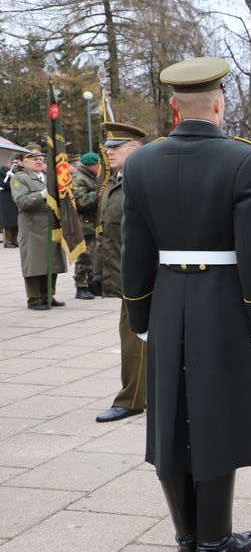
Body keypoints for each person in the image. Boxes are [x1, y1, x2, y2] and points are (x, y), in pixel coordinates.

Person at [121, 57, 251, 552]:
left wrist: (140, 315)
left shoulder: (141, 162)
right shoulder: (243, 159)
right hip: (223, 303)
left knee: (170, 417)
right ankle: (214, 541)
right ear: (217, 105)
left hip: (168, 298)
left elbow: (134, 249)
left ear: (173, 107)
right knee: (217, 416)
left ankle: (187, 539)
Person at [93, 122, 148, 422]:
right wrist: (99, 271)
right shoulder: (114, 182)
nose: (109, 152)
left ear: (136, 149)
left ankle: (132, 399)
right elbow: (106, 233)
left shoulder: (142, 182)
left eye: (116, 147)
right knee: (134, 336)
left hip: (142, 273)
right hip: (122, 271)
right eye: (108, 147)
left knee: (134, 338)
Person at [10, 147, 68, 310]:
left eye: (41, 158)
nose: (39, 161)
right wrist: (42, 195)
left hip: (51, 224)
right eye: (34, 159)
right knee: (34, 263)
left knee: (52, 261)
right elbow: (21, 202)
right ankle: (34, 299)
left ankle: (48, 295)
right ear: (25, 162)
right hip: (33, 226)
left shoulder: (48, 177)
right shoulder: (20, 178)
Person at [70, 151, 101, 300]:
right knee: (85, 257)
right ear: (93, 166)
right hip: (85, 225)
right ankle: (81, 286)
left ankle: (91, 284)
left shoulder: (92, 178)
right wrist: (99, 193)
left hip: (94, 223)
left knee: (93, 257)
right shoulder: (79, 178)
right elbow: (80, 202)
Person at [0, 152, 24, 247]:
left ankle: (14, 240)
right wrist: (13, 184)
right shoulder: (1, 171)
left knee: (15, 219)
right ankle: (8, 241)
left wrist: (14, 179)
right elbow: (2, 184)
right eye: (10, 162)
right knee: (7, 220)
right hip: (5, 197)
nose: (12, 163)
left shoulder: (14, 171)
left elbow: (18, 183)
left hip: (13, 195)